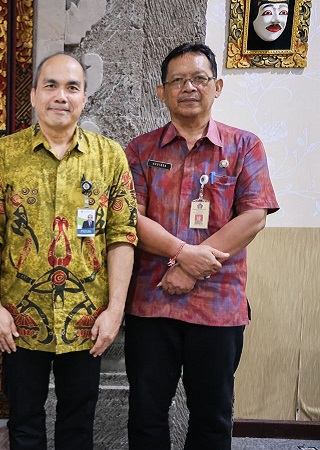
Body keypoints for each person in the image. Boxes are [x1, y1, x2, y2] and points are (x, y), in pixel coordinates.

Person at [124, 43, 279, 450]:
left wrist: (189, 267)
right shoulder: (140, 150)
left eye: (199, 78)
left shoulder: (245, 146)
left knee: (212, 417)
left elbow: (254, 216)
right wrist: (184, 253)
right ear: (162, 92)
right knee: (145, 414)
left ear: (218, 86)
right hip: (151, 304)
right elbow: (130, 219)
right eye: (177, 80)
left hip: (218, 307)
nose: (188, 87)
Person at [0, 52, 137, 450]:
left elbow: (122, 235)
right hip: (19, 318)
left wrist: (115, 311)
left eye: (72, 87)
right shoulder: (4, 153)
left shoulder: (109, 157)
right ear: (33, 95)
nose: (61, 96)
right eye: (50, 85)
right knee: (24, 420)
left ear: (85, 97)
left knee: (77, 424)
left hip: (87, 320)